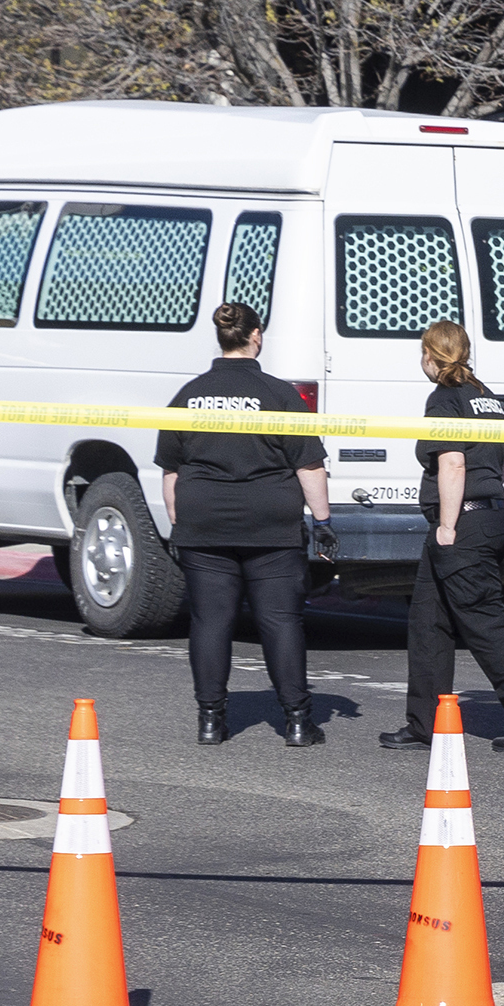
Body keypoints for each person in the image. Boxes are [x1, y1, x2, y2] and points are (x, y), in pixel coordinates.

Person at [155, 302, 334, 747]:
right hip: (269, 522)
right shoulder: (279, 396)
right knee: (281, 621)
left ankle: (211, 721)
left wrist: (181, 522)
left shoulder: (188, 395)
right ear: (256, 335)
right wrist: (323, 520)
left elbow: (171, 473)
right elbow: (309, 466)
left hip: (204, 520)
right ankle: (296, 721)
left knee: (211, 622)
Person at [380, 320, 504, 755]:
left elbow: (453, 463)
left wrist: (447, 524)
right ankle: (424, 724)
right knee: (428, 623)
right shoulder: (487, 398)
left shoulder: (444, 399)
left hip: (462, 524)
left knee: (485, 625)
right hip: (491, 517)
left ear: (430, 356)